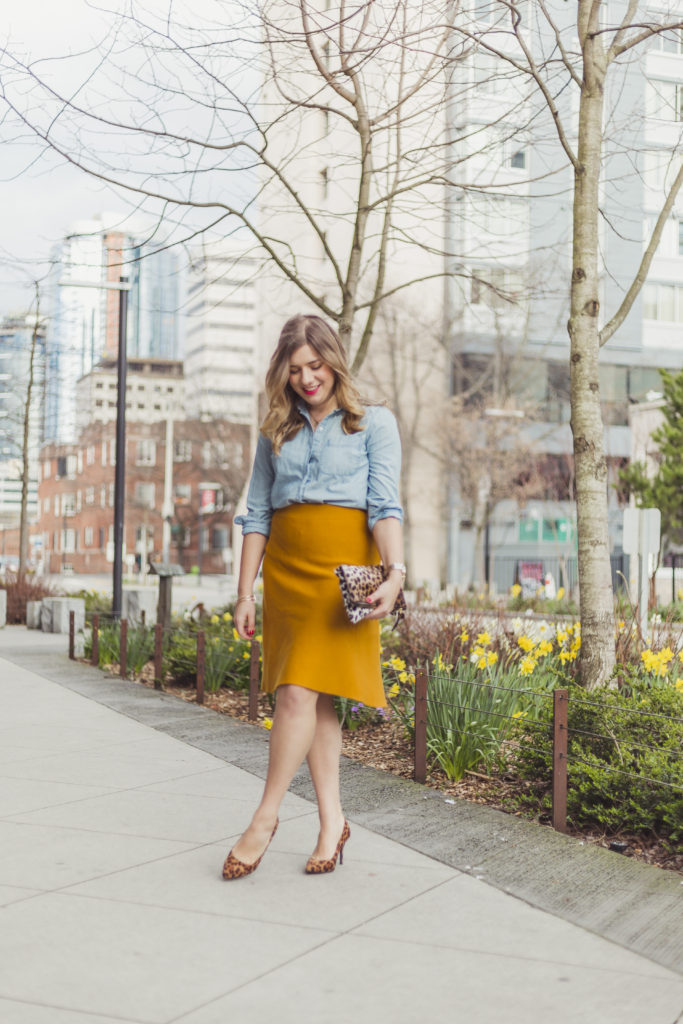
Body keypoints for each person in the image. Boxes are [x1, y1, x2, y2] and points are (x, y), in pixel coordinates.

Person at [222, 313, 405, 880]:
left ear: (334, 361)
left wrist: (395, 572)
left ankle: (265, 817)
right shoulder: (275, 430)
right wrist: (244, 592)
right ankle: (332, 822)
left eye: (316, 365)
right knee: (314, 701)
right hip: (287, 575)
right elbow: (256, 514)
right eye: (296, 369)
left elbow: (385, 507)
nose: (307, 378)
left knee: (298, 695)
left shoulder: (374, 424)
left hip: (340, 577)